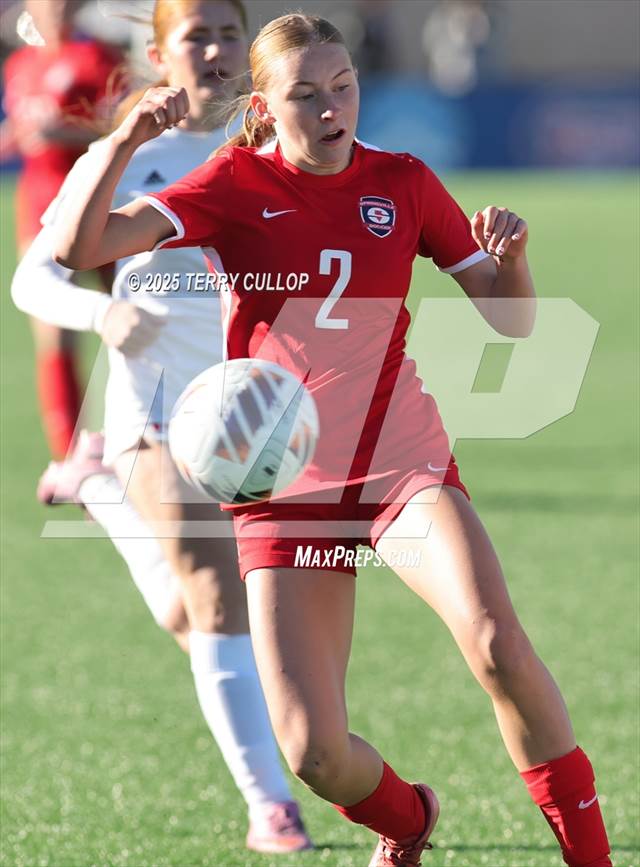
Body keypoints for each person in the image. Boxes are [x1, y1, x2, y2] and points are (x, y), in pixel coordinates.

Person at [51, 12, 613, 867]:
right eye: (304, 94)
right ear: (267, 106)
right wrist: (125, 137)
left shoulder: (406, 182)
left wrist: (517, 259)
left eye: (342, 86)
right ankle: (408, 816)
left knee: (497, 642)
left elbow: (511, 320)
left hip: (399, 464)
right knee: (314, 752)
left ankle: (592, 857)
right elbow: (79, 245)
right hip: (283, 485)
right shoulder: (232, 181)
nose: (329, 107)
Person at [11, 0, 312, 854]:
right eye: (195, 34)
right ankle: (271, 806)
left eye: (228, 33)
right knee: (218, 601)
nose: (214, 50)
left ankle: (95, 488)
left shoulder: (280, 146)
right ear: (157, 52)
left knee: (195, 615)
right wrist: (101, 318)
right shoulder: (127, 156)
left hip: (263, 415)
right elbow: (32, 281)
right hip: (157, 418)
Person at [2, 0, 123, 459]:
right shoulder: (20, 63)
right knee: (53, 334)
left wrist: (67, 132)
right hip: (38, 207)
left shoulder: (99, 57)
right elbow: (23, 130)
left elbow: (121, 128)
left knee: (129, 318)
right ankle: (69, 457)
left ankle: (137, 435)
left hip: (100, 204)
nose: (55, 8)